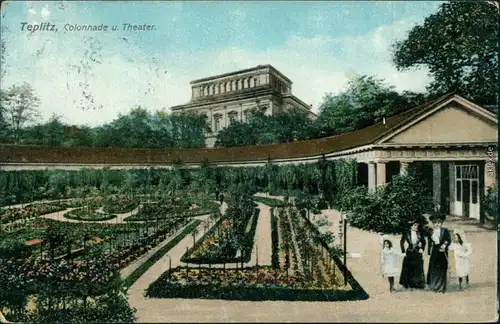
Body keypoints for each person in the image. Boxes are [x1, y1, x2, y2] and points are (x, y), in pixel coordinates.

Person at [427, 214, 451, 293]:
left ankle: (441, 287)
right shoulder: (431, 232)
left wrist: (444, 245)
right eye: (435, 223)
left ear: (441, 223)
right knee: (434, 268)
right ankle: (434, 286)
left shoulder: (445, 231)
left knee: (442, 268)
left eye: (438, 223)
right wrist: (428, 252)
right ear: (433, 224)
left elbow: (448, 239)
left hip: (442, 251)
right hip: (435, 252)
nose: (437, 224)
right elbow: (430, 242)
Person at [399, 220, 426, 290]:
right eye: (415, 225)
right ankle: (407, 284)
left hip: (417, 252)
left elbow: (424, 242)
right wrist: (403, 252)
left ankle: (417, 284)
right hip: (410, 252)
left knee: (418, 268)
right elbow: (402, 242)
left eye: (417, 225)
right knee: (408, 268)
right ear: (411, 226)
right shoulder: (407, 233)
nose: (417, 226)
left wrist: (422, 249)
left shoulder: (419, 233)